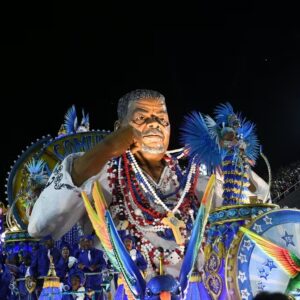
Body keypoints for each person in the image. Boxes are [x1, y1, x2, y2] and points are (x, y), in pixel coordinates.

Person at [28, 89, 269, 279]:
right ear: (118, 128)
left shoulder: (195, 185)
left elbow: (252, 212)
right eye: (141, 118)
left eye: (161, 119)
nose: (154, 124)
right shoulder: (101, 184)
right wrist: (106, 149)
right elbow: (41, 227)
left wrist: (234, 159)